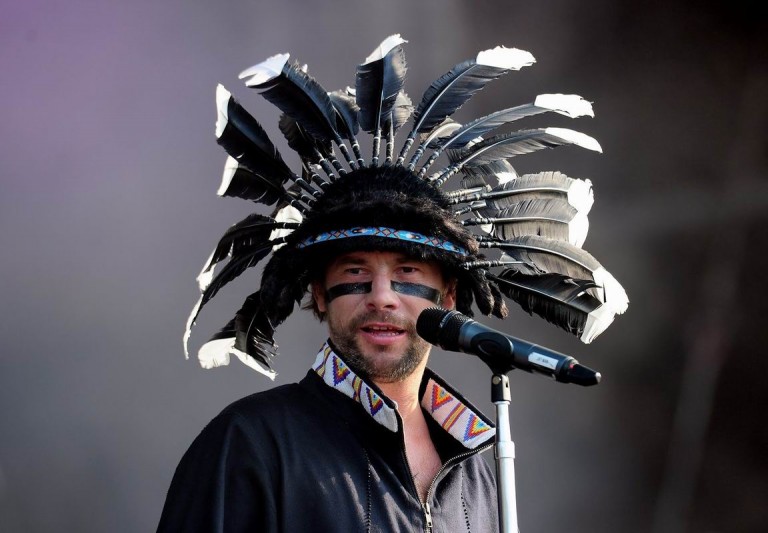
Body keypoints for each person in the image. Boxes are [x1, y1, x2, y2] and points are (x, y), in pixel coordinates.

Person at [159, 35, 626, 532]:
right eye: (355, 272)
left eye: (407, 272)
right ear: (319, 293)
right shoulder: (249, 443)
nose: (381, 297)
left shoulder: (476, 473)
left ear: (449, 295)